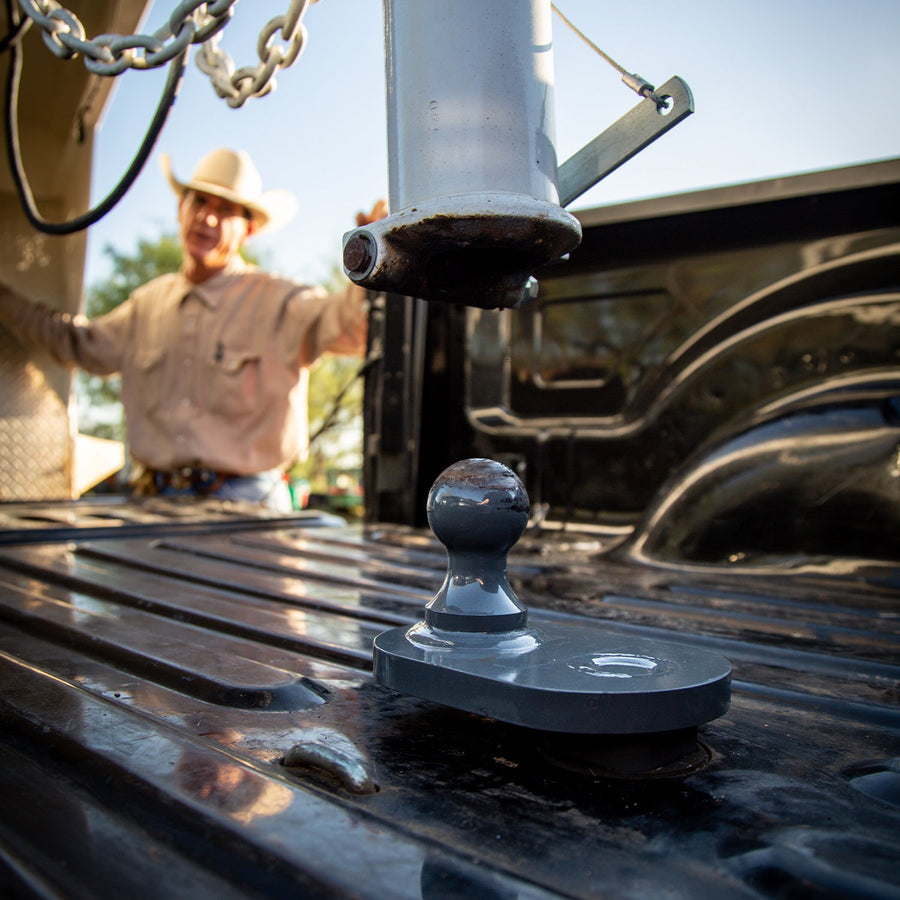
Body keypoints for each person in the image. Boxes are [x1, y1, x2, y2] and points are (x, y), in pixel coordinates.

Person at [0, 148, 387, 510]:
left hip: (248, 502)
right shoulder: (145, 305)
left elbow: (356, 330)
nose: (207, 217)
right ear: (180, 209)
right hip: (152, 501)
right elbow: (76, 344)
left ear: (247, 230)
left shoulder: (283, 301)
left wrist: (379, 260)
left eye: (225, 210)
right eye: (199, 201)